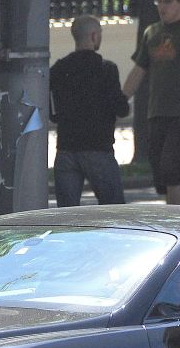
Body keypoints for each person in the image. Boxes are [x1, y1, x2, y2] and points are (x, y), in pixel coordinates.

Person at [49, 15, 130, 207]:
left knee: (67, 216)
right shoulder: (106, 69)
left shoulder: (59, 69)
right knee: (114, 211)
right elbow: (121, 108)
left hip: (67, 148)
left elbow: (52, 112)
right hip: (98, 148)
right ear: (94, 36)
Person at [123, 0, 180, 204]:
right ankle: (174, 209)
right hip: (157, 111)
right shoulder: (152, 32)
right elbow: (139, 69)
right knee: (160, 171)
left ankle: (177, 220)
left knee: (173, 169)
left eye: (168, 1)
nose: (162, 6)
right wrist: (122, 98)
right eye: (159, 1)